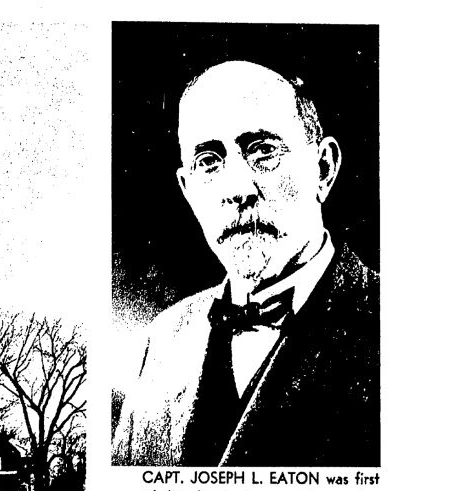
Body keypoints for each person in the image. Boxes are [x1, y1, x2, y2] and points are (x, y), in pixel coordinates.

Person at [112, 60, 379, 467]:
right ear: (187, 190)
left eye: (263, 152)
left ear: (323, 169)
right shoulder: (162, 341)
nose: (237, 189)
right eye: (209, 162)